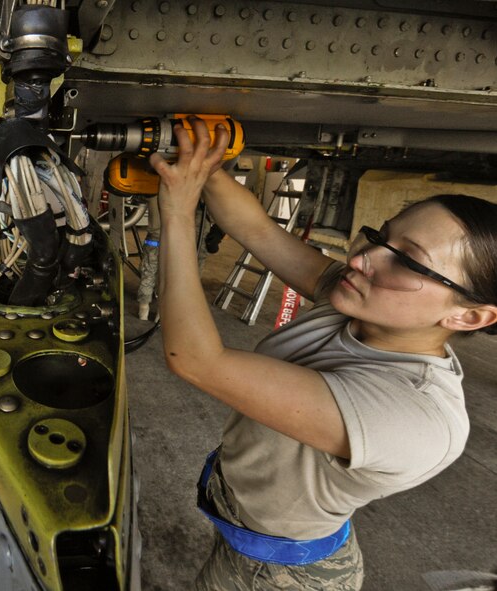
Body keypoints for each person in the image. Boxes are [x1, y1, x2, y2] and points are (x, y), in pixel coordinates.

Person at [150, 117, 497, 590]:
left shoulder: (417, 417)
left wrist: (177, 211)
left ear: (469, 316)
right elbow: (257, 230)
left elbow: (196, 360)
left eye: (407, 260)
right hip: (243, 528)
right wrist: (202, 162)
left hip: (281, 577)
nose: (360, 259)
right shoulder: (357, 303)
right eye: (380, 236)